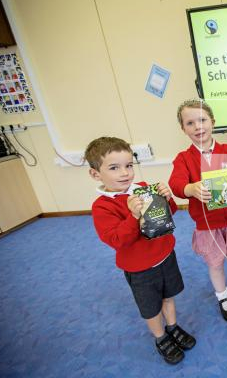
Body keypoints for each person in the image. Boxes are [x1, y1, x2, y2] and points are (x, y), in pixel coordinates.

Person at [85, 137, 195, 365]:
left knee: (168, 296)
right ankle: (161, 337)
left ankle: (173, 327)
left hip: (165, 256)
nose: (125, 173)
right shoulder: (102, 206)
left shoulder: (143, 188)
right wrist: (133, 216)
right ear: (96, 174)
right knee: (151, 308)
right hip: (139, 269)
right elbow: (116, 240)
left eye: (128, 165)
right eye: (114, 168)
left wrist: (167, 198)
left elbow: (168, 214)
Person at [169, 100, 227, 323]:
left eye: (202, 120)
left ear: (213, 122)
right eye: (190, 123)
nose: (198, 127)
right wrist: (190, 188)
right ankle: (223, 296)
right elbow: (176, 184)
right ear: (183, 128)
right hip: (207, 225)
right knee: (215, 263)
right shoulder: (183, 158)